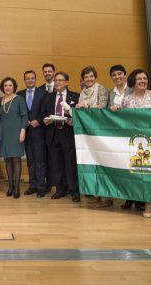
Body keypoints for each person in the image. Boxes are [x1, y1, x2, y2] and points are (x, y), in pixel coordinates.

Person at [111, 69, 151, 219]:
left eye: (145, 78)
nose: (143, 81)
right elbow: (122, 119)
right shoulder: (126, 99)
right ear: (133, 81)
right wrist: (115, 110)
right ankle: (149, 202)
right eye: (139, 78)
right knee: (145, 173)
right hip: (139, 143)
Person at [40, 72, 80, 202]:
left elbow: (79, 115)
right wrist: (45, 120)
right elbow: (43, 113)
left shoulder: (75, 96)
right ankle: (60, 189)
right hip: (53, 133)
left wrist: (73, 120)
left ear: (66, 82)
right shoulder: (48, 97)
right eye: (56, 80)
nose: (57, 82)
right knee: (56, 164)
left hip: (68, 133)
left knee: (70, 163)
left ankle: (74, 190)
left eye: (60, 80)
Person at [77, 66, 111, 207]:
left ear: (95, 77)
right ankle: (96, 193)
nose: (89, 79)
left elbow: (102, 107)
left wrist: (85, 108)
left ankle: (107, 197)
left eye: (91, 76)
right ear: (83, 79)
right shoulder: (82, 92)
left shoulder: (101, 89)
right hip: (87, 133)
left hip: (101, 131)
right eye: (86, 77)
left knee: (103, 163)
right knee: (92, 163)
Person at [108, 65, 140, 211]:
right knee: (125, 166)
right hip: (118, 135)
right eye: (114, 75)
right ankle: (128, 197)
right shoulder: (111, 94)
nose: (117, 77)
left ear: (125, 75)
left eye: (120, 74)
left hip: (134, 131)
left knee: (136, 166)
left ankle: (139, 199)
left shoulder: (133, 90)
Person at [17, 71, 48, 197]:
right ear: (24, 80)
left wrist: (39, 121)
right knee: (30, 159)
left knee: (40, 159)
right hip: (26, 131)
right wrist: (24, 122)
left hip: (39, 131)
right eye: (27, 79)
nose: (30, 80)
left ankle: (41, 186)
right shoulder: (19, 94)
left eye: (32, 78)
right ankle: (32, 185)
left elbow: (46, 110)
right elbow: (18, 112)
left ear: (35, 79)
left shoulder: (44, 93)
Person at [0, 77, 28, 199]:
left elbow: (24, 116)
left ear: (14, 86)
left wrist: (23, 131)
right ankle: (10, 185)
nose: (8, 87)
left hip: (16, 132)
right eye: (5, 85)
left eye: (10, 85)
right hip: (4, 133)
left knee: (16, 159)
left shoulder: (19, 99)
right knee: (7, 159)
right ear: (3, 87)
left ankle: (16, 187)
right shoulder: (0, 100)